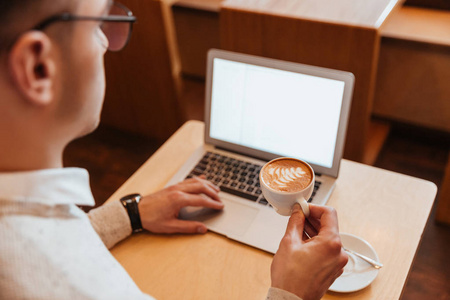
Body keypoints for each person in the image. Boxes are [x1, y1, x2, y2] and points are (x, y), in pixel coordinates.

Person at [0, 0, 348, 299]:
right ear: (37, 67)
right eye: (97, 24)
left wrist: (130, 214)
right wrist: (292, 293)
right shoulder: (59, 283)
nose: (106, 43)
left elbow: (62, 243)